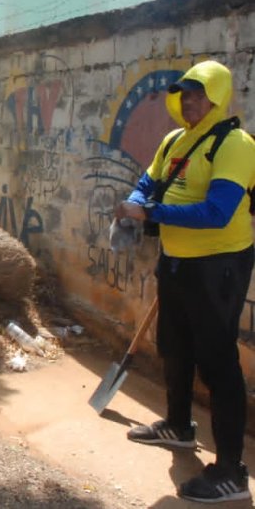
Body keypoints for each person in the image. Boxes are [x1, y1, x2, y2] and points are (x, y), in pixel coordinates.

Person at [115, 60, 255, 503]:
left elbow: (217, 212)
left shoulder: (235, 144)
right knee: (174, 347)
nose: (189, 101)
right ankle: (178, 425)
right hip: (176, 262)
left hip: (219, 266)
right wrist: (136, 203)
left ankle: (231, 472)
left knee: (217, 363)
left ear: (217, 97)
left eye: (198, 94)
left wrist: (150, 212)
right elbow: (147, 181)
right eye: (184, 94)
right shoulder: (175, 140)